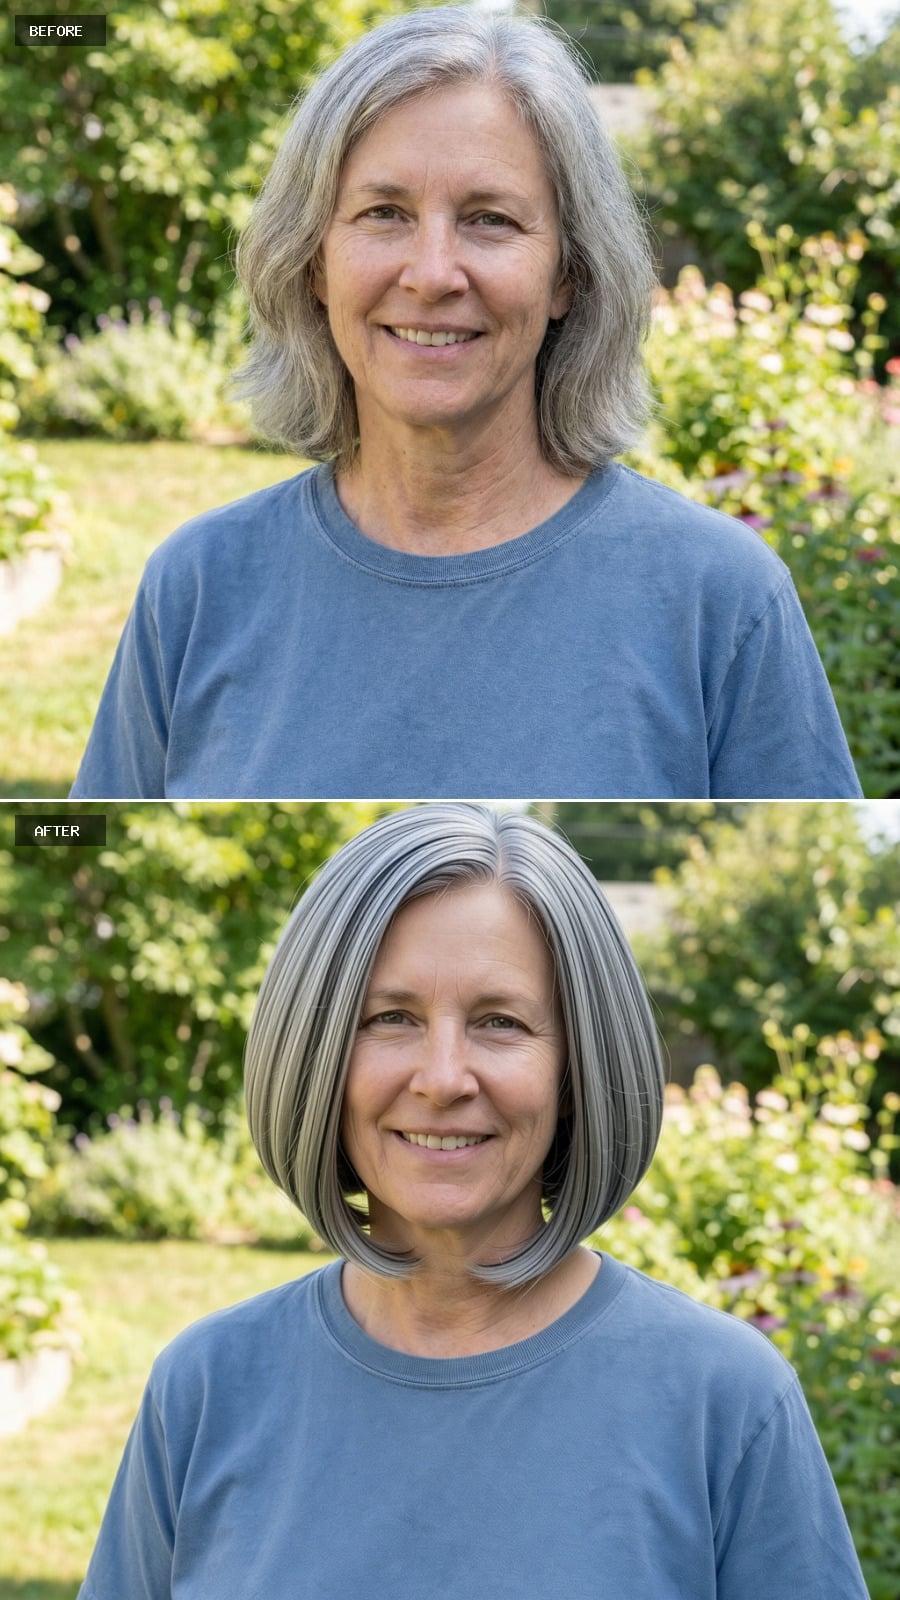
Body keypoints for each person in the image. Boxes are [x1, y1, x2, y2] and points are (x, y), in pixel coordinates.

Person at [78, 804, 870, 1599]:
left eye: (500, 1022)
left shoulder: (725, 1403)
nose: (444, 1077)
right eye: (391, 1018)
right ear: (318, 1053)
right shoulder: (207, 1388)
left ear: (575, 1072)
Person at [70, 7, 861, 801]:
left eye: (491, 219)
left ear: (568, 275)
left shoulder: (720, 601)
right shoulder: (199, 585)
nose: (433, 272)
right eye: (385, 213)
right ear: (313, 262)